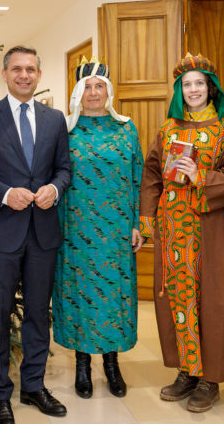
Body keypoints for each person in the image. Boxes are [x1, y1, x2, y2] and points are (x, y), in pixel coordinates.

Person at [0, 46, 71, 424]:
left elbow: (64, 168)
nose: (24, 75)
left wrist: (55, 189)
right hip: (1, 233)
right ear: (6, 74)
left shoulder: (54, 119)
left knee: (37, 316)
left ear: (39, 75)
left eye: (31, 69)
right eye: (17, 69)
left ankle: (33, 385)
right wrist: (4, 193)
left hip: (43, 233)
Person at [140, 53, 224, 413]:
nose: (194, 89)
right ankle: (187, 370)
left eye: (200, 83)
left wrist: (203, 178)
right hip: (172, 228)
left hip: (209, 227)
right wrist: (147, 215)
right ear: (179, 91)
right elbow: (152, 173)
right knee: (177, 299)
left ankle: (211, 378)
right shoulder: (167, 129)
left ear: (211, 89)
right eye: (187, 84)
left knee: (211, 298)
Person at [52, 57, 143, 399]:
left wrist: (138, 225)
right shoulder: (65, 130)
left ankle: (111, 363)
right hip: (75, 230)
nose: (93, 93)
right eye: (86, 87)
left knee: (112, 298)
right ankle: (81, 365)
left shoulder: (126, 128)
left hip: (117, 231)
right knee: (78, 294)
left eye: (99, 86)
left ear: (109, 90)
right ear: (78, 92)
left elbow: (137, 178)